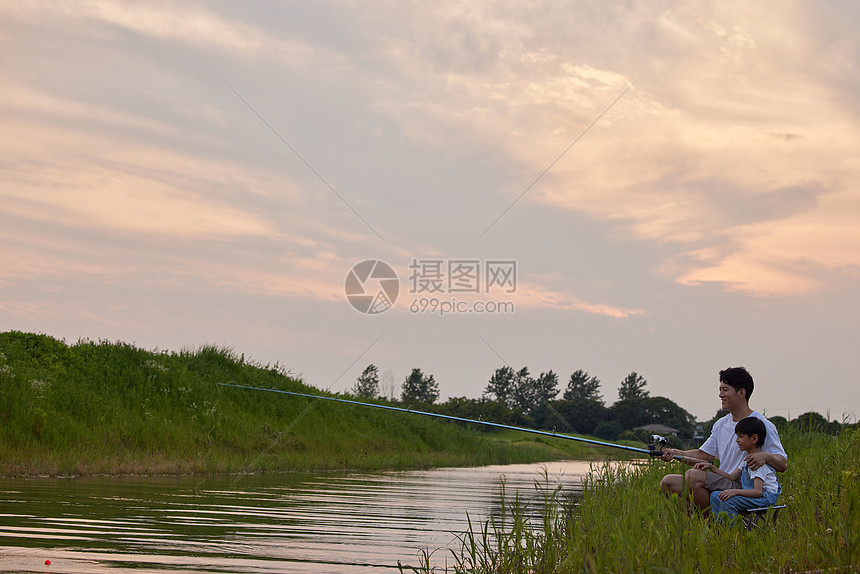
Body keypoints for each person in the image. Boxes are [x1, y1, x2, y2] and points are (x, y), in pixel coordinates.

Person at [658, 367, 787, 513]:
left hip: (745, 485)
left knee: (692, 476)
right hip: (724, 479)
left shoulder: (762, 424)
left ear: (741, 393)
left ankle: (714, 525)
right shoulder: (721, 424)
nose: (720, 395)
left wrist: (766, 456)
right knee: (667, 483)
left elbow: (782, 464)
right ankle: (707, 522)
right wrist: (674, 453)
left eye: (725, 390)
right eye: (720, 390)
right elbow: (703, 456)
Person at [693, 416, 781, 525]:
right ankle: (719, 527)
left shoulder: (756, 463)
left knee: (727, 501)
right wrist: (711, 467)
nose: (737, 440)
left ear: (754, 439)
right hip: (757, 494)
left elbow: (758, 492)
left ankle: (731, 531)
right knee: (716, 496)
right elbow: (731, 477)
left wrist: (734, 491)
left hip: (765, 497)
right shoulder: (746, 459)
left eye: (740, 436)